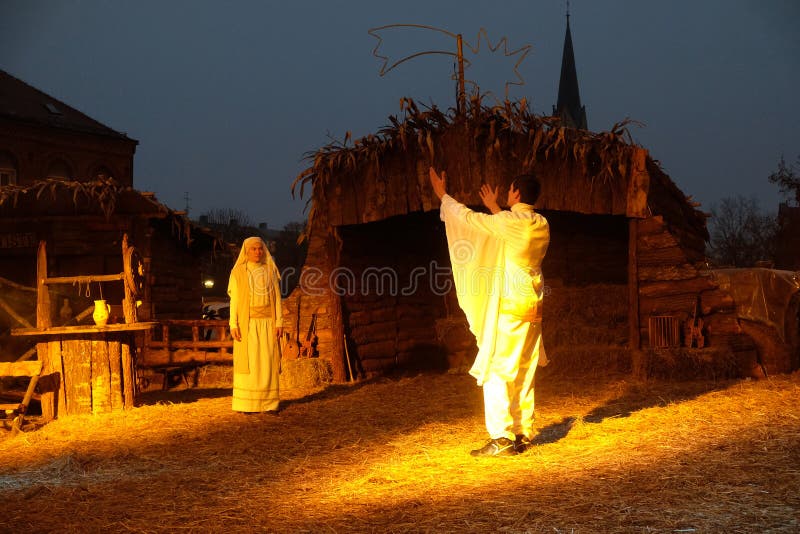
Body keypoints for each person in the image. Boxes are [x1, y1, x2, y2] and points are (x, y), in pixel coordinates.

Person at [429, 167, 550, 457]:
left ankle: (502, 437)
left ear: (516, 193)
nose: (507, 194)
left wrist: (443, 196)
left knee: (497, 370)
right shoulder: (541, 223)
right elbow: (509, 227)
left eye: (509, 190)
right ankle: (522, 432)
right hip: (532, 306)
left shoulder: (509, 222)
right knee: (523, 369)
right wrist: (496, 206)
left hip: (510, 308)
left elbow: (470, 220)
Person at [228, 236, 283, 414]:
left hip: (267, 322)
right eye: (253, 249)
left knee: (266, 361)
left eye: (260, 248)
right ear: (246, 251)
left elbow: (277, 298)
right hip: (248, 324)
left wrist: (279, 322)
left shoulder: (269, 271)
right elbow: (235, 301)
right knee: (250, 363)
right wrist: (233, 324)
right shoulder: (238, 273)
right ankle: (247, 404)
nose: (257, 252)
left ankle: (268, 403)